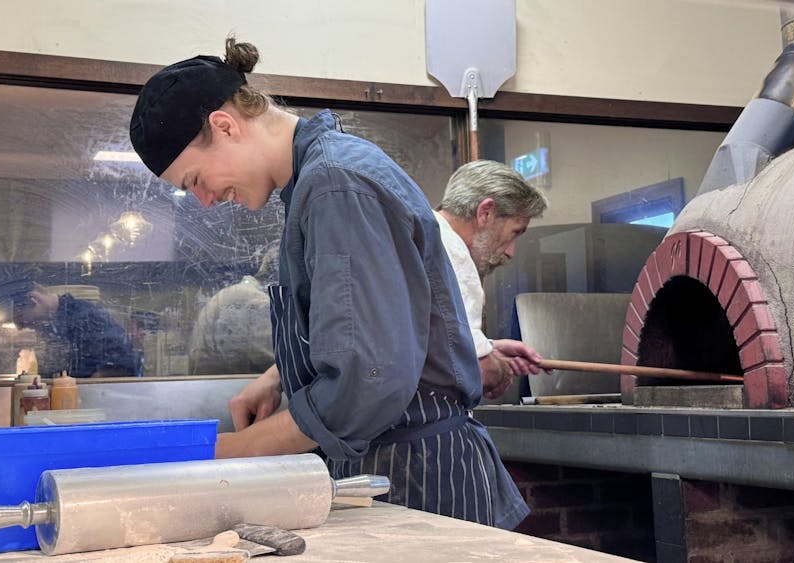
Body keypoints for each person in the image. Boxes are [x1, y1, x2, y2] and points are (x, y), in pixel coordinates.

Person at [129, 36, 528, 529]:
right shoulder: (315, 179)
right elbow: (375, 324)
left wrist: (228, 452)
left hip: (417, 479)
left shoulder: (336, 185)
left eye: (194, 181)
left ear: (225, 125)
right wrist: (279, 377)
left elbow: (367, 383)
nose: (206, 201)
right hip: (390, 469)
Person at [435, 160, 549, 400]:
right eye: (515, 232)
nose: (511, 252)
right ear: (485, 213)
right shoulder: (450, 255)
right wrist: (498, 368)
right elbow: (475, 373)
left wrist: (489, 347)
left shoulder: (424, 236)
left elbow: (436, 346)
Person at [0, 276, 136, 378]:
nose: (21, 327)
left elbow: (122, 362)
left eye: (22, 321)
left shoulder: (85, 316)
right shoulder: (54, 322)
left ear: (34, 300)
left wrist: (91, 388)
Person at [188, 246, 277, 375]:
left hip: (212, 383)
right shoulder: (255, 299)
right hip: (223, 385)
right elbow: (273, 359)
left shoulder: (238, 292)